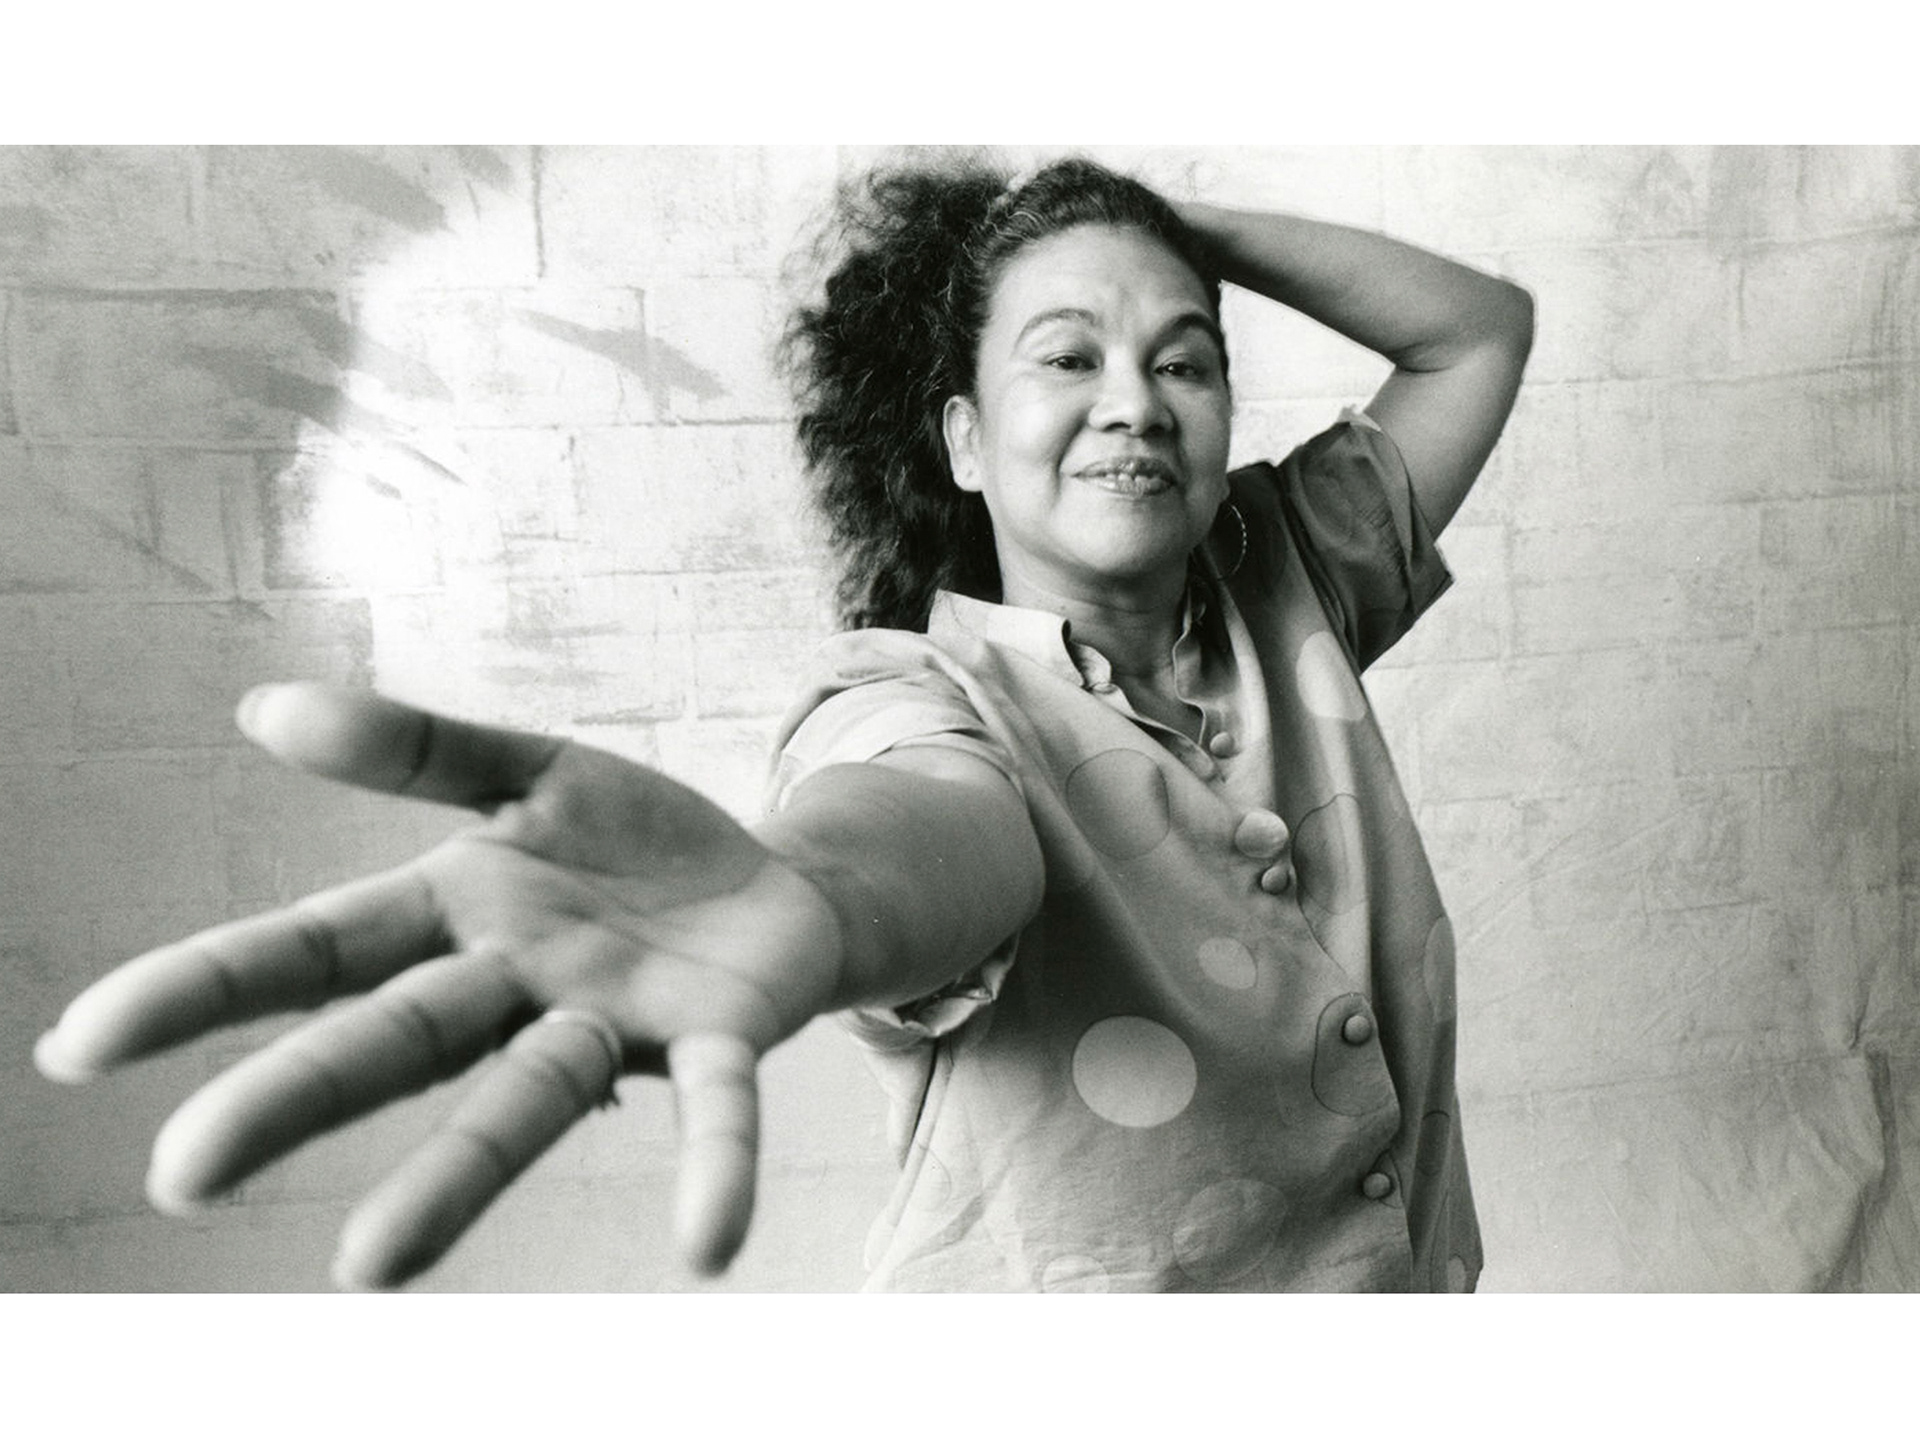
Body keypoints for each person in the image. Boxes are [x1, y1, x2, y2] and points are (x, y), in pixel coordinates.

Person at [32, 153, 1533, 1293]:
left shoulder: (1290, 572)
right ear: (957, 434)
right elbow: (913, 832)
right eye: (1067, 356)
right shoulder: (921, 702)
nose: (1136, 398)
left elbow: (1478, 330)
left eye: (1184, 357)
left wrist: (1165, 232)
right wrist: (800, 900)